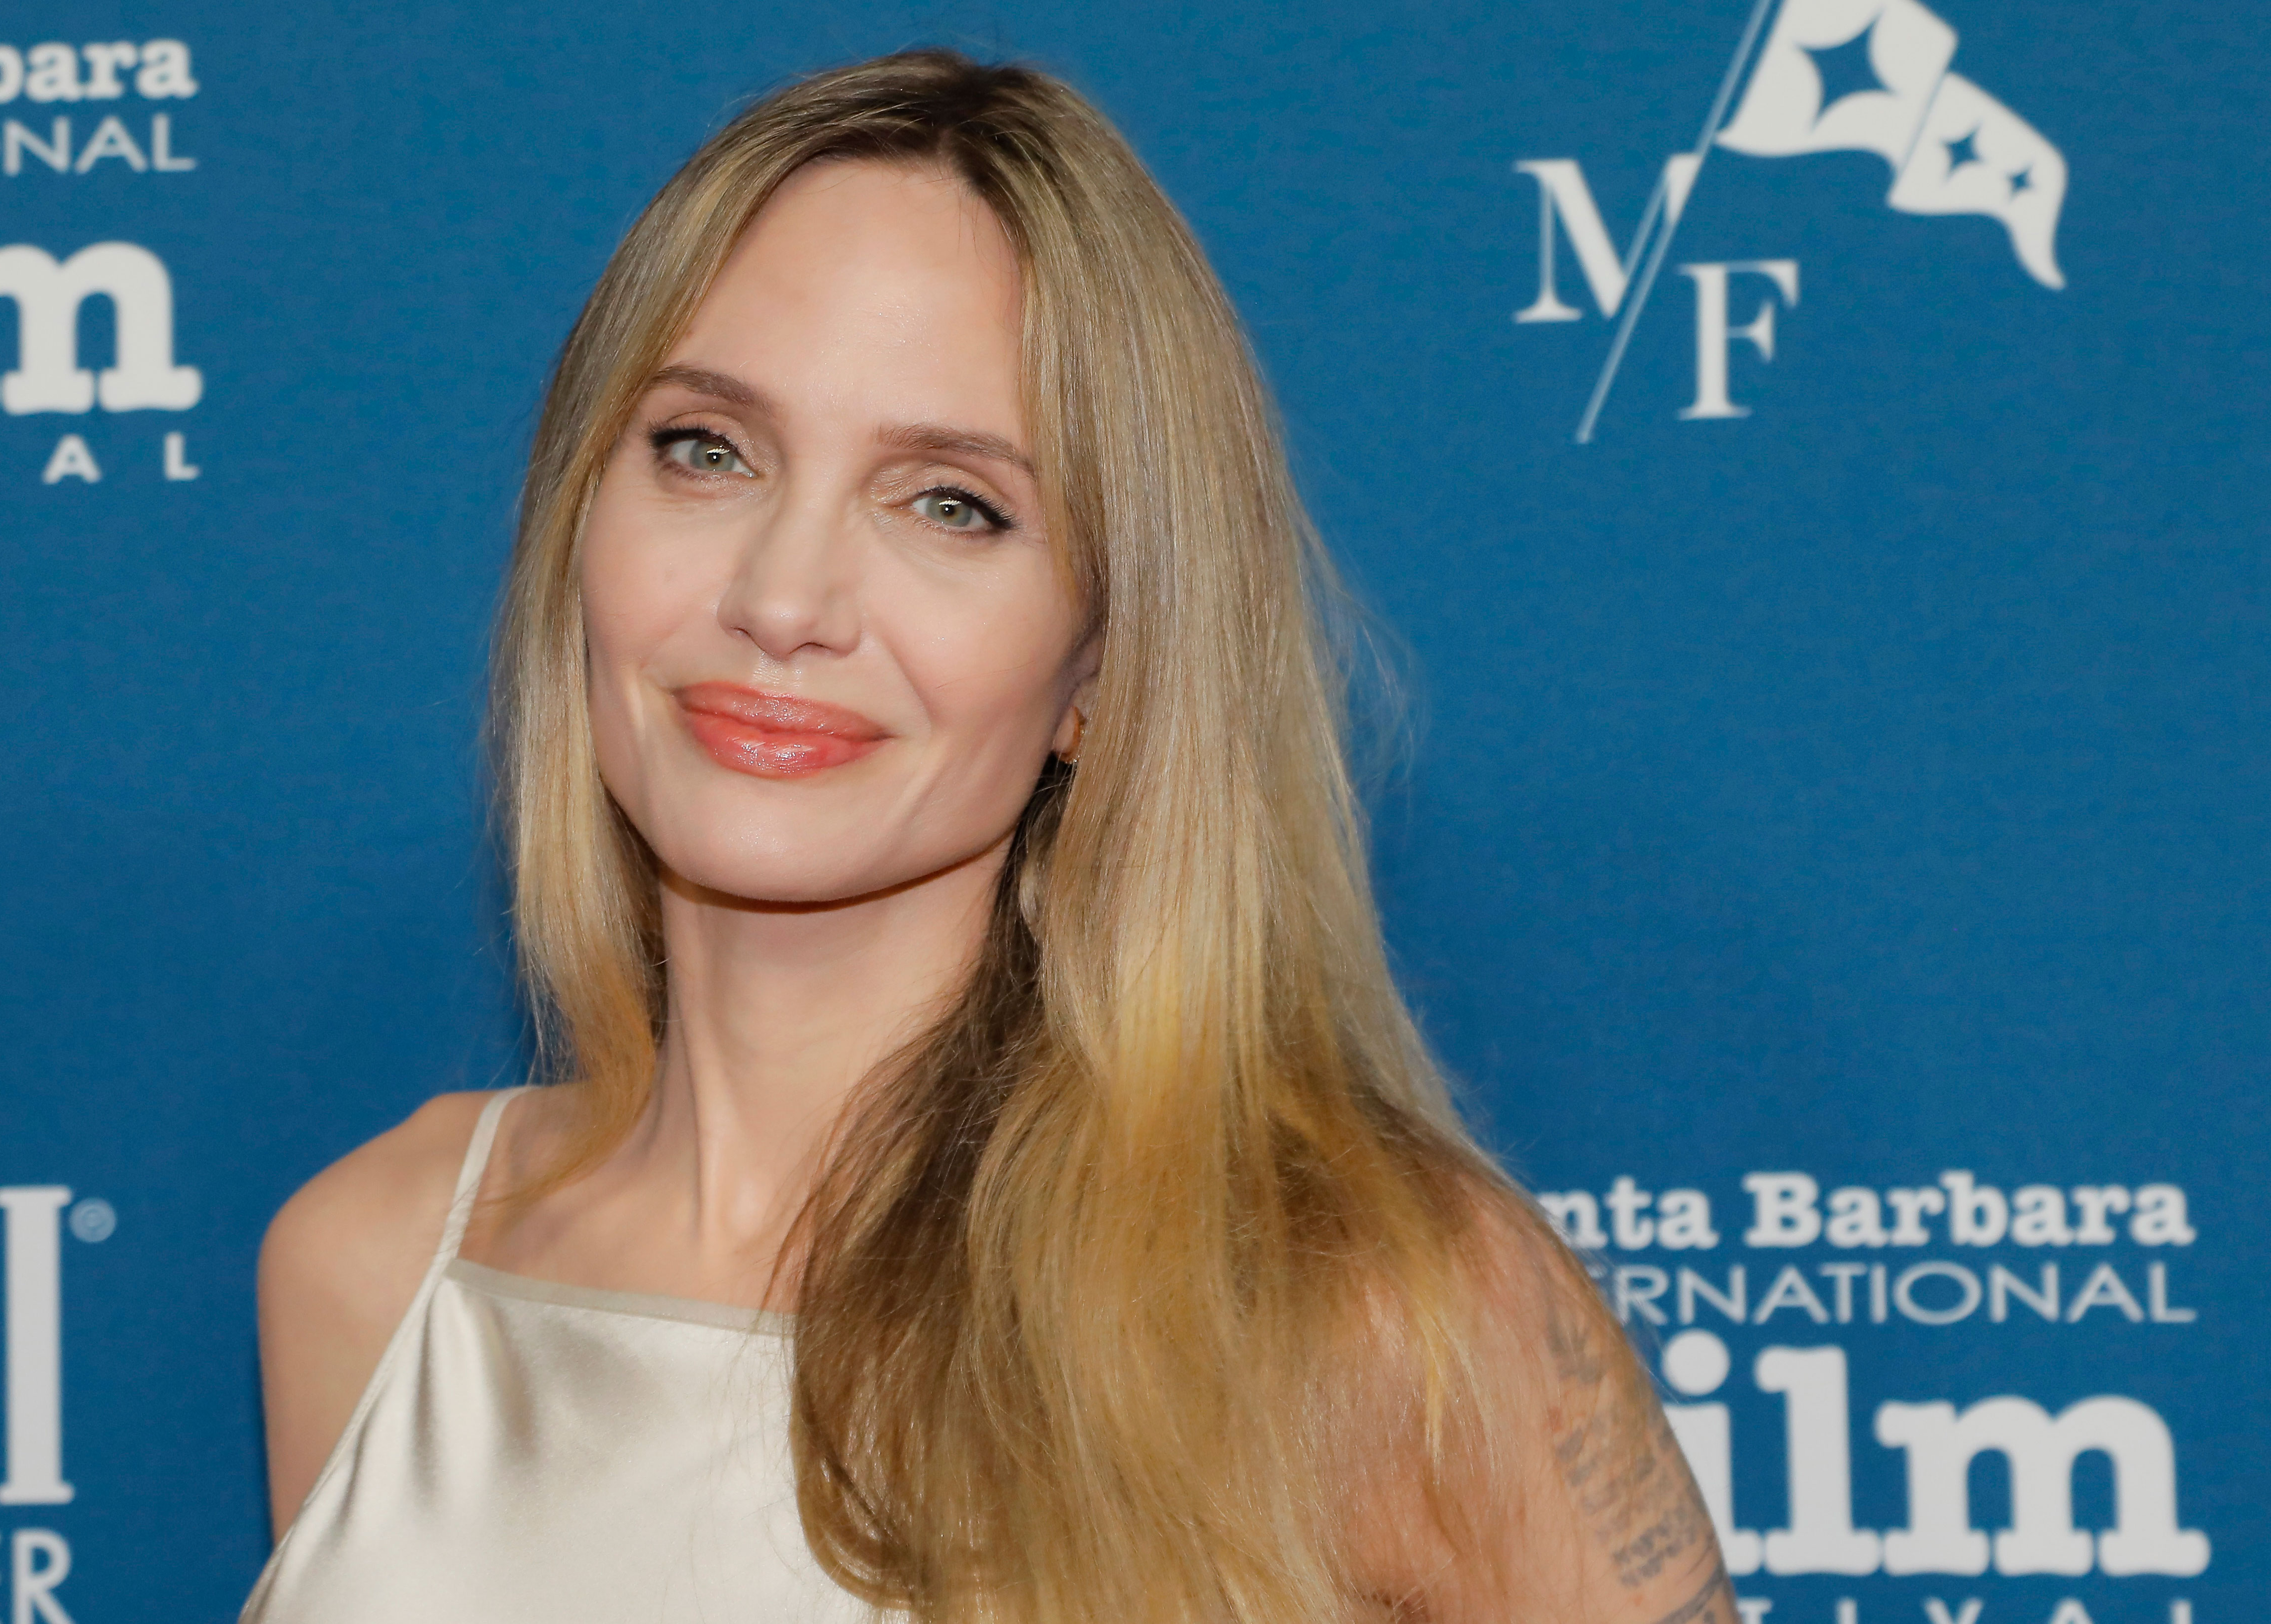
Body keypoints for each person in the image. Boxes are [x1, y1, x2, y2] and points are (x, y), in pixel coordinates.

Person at [245, 49, 1736, 1624]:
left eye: (950, 502)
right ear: (577, 516)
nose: (781, 598)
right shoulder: (372, 1260)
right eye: (706, 449)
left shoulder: (1377, 1307)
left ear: (1102, 667)